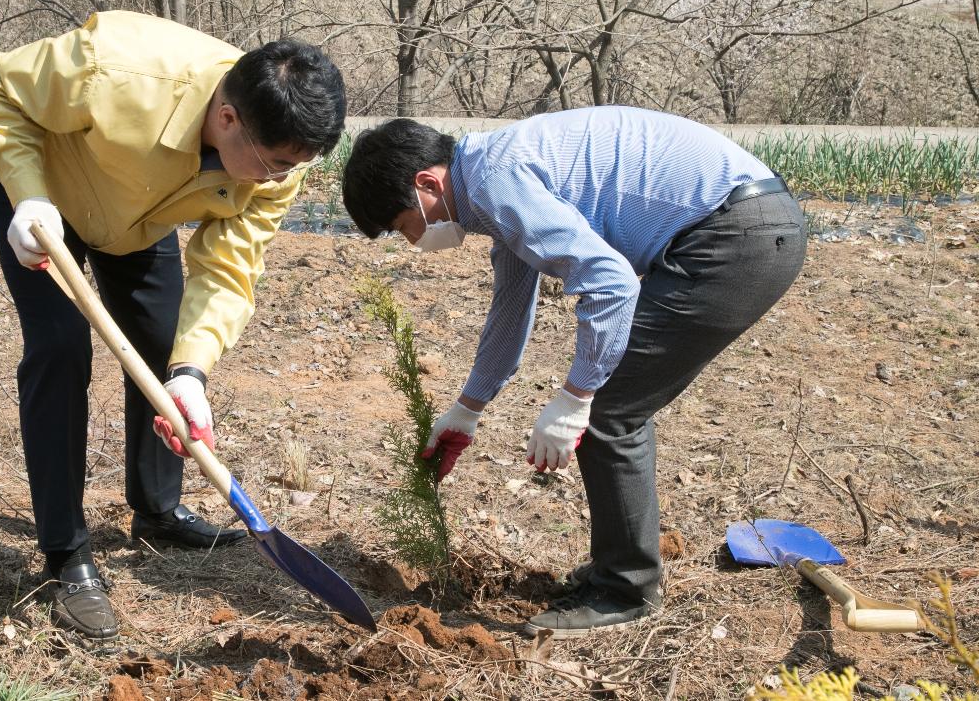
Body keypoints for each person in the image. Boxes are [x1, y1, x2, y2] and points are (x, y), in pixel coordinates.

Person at [341, 106, 805, 638]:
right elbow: (512, 308)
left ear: (427, 183)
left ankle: (623, 591)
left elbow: (611, 283)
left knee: (607, 409)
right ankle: (619, 571)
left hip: (735, 236)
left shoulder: (496, 179)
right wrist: (467, 409)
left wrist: (575, 396)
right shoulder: (490, 180)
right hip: (744, 225)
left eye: (403, 225)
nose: (412, 242)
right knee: (610, 399)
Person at [0, 10, 346, 639]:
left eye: (292, 167)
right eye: (275, 163)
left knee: (167, 346)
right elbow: (5, 90)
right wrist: (29, 194)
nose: (282, 177)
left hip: (137, 213)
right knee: (61, 348)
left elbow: (229, 267)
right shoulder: (115, 66)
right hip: (39, 193)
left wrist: (192, 373)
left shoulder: (281, 158)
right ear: (228, 119)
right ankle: (65, 554)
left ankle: (158, 509)